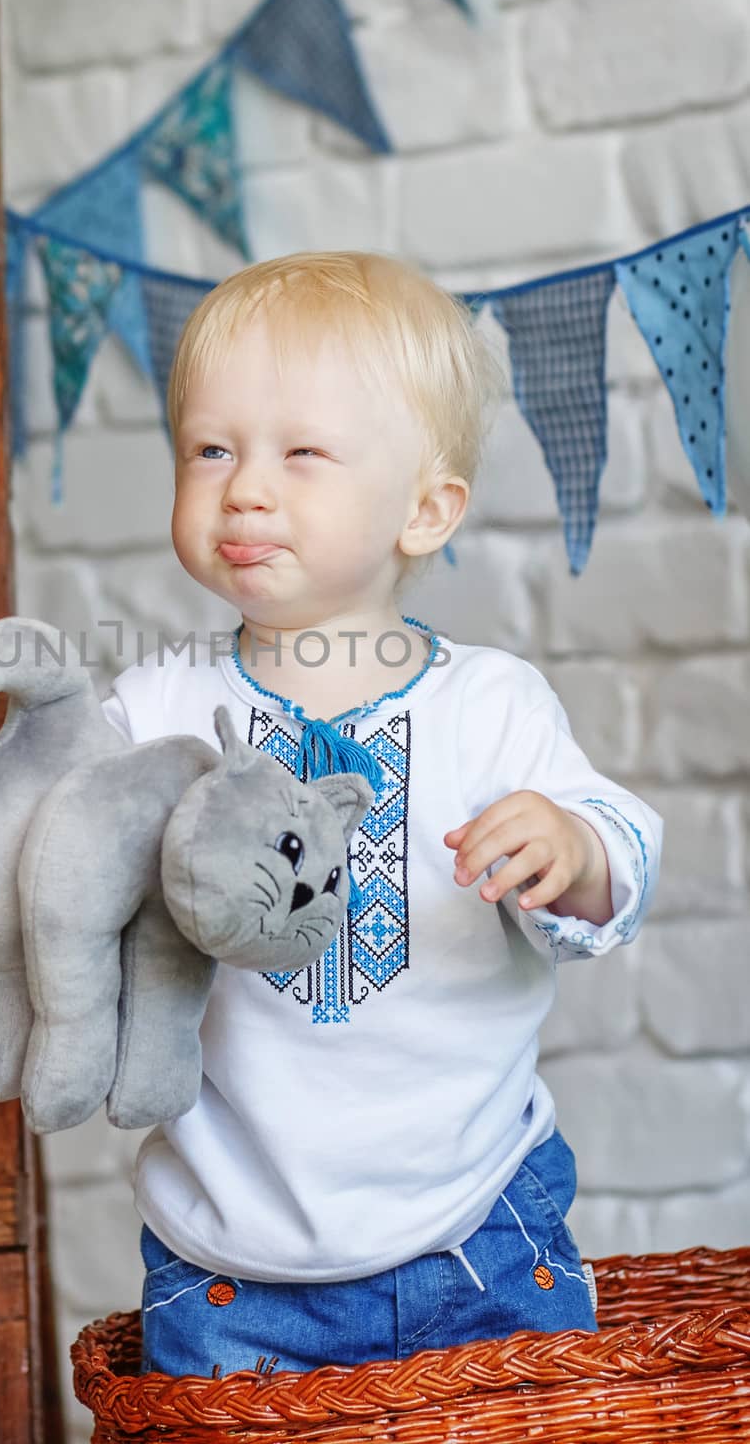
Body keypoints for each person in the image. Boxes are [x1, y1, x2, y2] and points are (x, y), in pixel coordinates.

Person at [97, 250, 663, 1378]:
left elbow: (622, 852)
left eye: (300, 453)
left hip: (477, 1232)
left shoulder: (486, 702)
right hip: (226, 1252)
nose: (243, 488)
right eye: (210, 449)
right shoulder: (156, 707)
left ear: (423, 509)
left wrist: (572, 846)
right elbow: (67, 859)